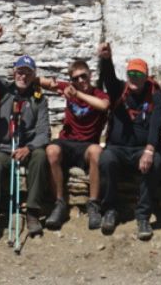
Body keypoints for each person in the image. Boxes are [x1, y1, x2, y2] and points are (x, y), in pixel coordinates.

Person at [0, 25, 51, 250]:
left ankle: (32, 212)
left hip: (26, 147)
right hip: (3, 147)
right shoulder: (3, 91)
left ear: (33, 76)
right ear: (14, 73)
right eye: (20, 71)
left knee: (40, 156)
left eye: (27, 73)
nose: (23, 76)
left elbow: (44, 132)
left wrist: (29, 148)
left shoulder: (39, 99)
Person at [96, 44, 161, 240]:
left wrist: (150, 150)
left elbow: (156, 125)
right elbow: (108, 79)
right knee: (106, 159)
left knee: (156, 163)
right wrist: (106, 59)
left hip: (141, 149)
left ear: (146, 76)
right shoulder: (119, 91)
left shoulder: (156, 97)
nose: (135, 78)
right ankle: (110, 209)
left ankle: (143, 215)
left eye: (139, 74)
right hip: (117, 148)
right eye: (131, 74)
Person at [43, 56, 109, 230]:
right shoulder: (68, 89)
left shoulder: (98, 94)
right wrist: (47, 82)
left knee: (96, 151)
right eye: (75, 78)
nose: (80, 81)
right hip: (67, 141)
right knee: (51, 150)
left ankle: (93, 204)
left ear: (90, 75)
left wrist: (77, 93)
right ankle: (59, 203)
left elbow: (103, 106)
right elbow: (41, 81)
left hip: (87, 145)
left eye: (83, 76)